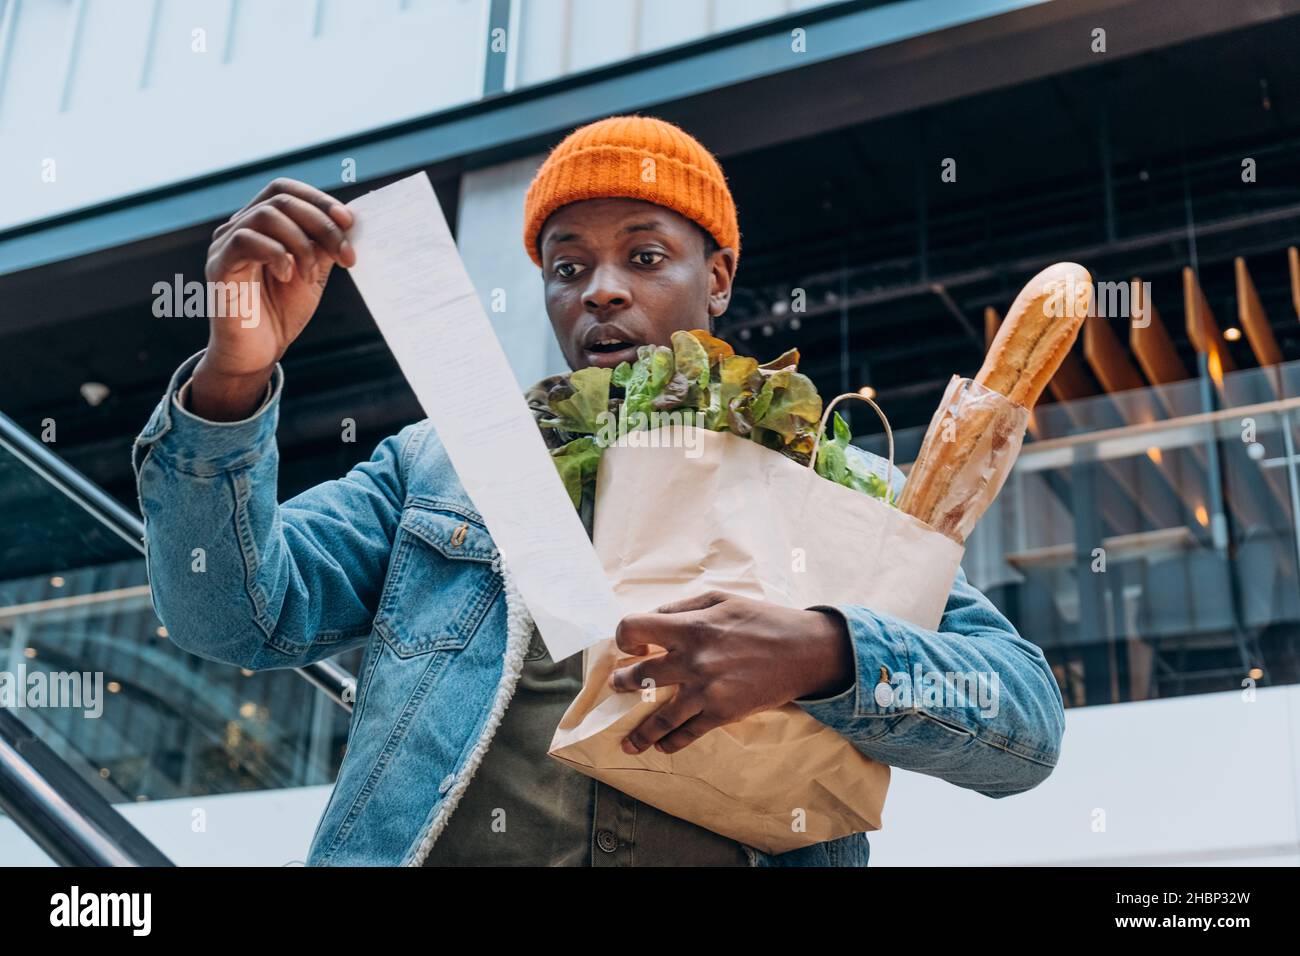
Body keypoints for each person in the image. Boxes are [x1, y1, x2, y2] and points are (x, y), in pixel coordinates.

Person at [132, 115, 1065, 867]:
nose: (601, 292)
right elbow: (230, 618)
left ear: (721, 279)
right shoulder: (447, 463)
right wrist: (233, 376)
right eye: (567, 268)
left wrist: (825, 652)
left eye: (647, 258)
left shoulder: (835, 477)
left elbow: (1025, 725)